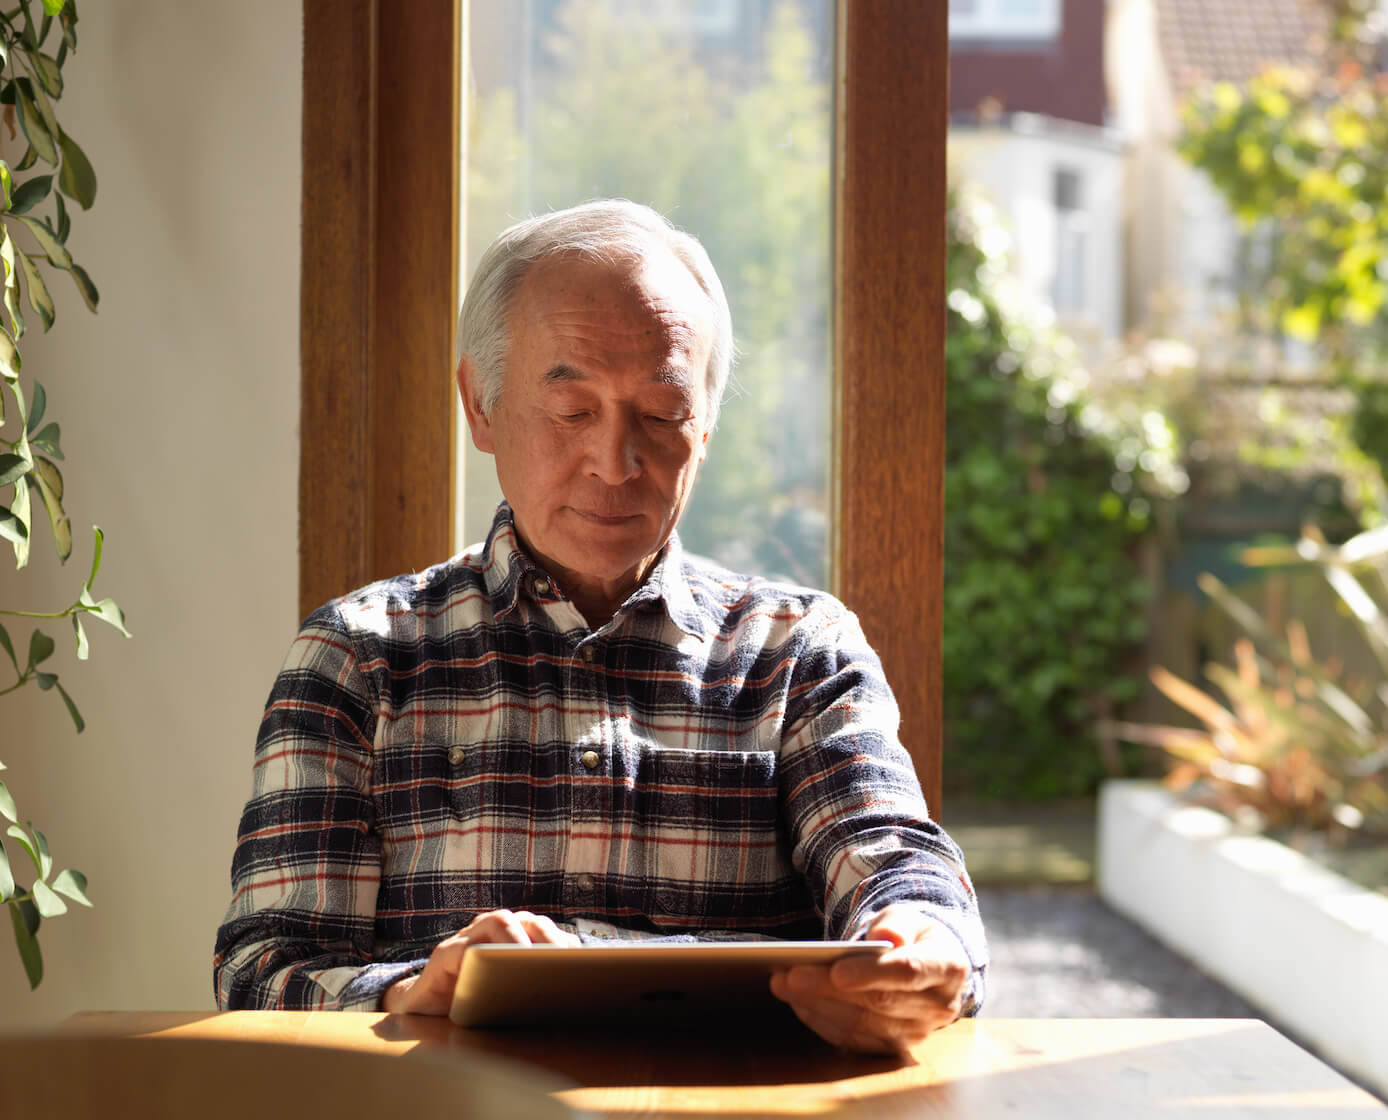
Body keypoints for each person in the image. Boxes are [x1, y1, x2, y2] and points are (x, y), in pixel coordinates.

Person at [215, 200, 987, 1052]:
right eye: (573, 409)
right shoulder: (360, 657)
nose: (617, 462)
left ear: (708, 420)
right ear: (480, 404)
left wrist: (923, 949)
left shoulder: (799, 652)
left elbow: (899, 869)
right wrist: (412, 987)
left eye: (660, 413)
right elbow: (264, 967)